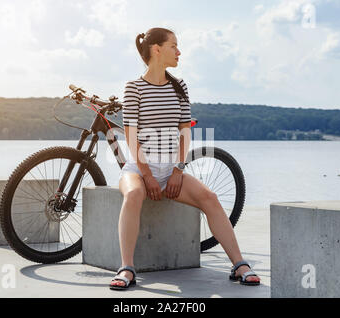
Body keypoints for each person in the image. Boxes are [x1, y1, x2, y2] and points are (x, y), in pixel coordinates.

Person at [109, 27, 260, 290]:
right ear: (157, 50)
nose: (179, 52)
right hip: (137, 168)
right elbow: (132, 138)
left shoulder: (180, 87)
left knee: (210, 199)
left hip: (171, 168)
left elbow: (184, 134)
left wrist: (178, 170)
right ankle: (127, 268)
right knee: (133, 195)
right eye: (173, 46)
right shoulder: (133, 88)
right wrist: (146, 175)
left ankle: (239, 264)